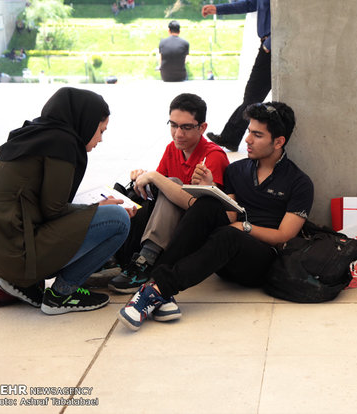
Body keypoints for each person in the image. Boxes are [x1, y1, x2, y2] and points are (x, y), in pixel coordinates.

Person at [117, 101, 314, 331]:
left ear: (278, 141)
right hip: (223, 254)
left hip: (260, 262)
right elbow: (229, 216)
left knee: (230, 235)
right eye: (249, 131)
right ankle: (158, 290)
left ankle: (157, 288)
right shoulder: (237, 170)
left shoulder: (299, 182)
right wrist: (211, 189)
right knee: (207, 205)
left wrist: (245, 228)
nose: (248, 139)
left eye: (257, 135)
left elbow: (284, 236)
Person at [0, 87, 135, 314]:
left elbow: (39, 205)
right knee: (118, 219)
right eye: (101, 130)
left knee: (101, 213)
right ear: (86, 121)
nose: (101, 139)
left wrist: (90, 210)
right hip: (19, 254)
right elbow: (54, 209)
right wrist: (95, 209)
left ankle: (24, 283)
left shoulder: (31, 135)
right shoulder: (61, 142)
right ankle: (62, 294)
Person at [108, 93, 229, 293]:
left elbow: (202, 209)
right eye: (173, 125)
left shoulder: (213, 156)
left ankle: (146, 260)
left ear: (203, 128)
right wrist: (143, 179)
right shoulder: (172, 149)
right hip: (168, 227)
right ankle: (113, 256)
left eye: (186, 127)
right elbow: (158, 192)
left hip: (193, 232)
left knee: (169, 183)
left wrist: (156, 177)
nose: (178, 134)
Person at [202, 0, 271, 152]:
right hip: (268, 46)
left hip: (271, 48)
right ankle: (230, 138)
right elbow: (249, 4)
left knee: (252, 97)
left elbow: (288, 18)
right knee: (252, 97)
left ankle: (230, 138)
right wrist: (217, 9)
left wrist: (269, 44)